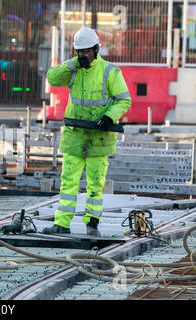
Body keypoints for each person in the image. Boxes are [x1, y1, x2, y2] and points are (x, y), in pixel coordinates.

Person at [43, 27, 131, 236]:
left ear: (96, 49)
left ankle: (92, 223)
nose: (84, 55)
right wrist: (73, 64)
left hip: (99, 137)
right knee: (69, 182)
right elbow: (52, 78)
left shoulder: (110, 71)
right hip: (75, 135)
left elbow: (123, 100)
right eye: (80, 52)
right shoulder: (73, 70)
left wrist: (109, 117)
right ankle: (61, 224)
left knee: (95, 184)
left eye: (87, 51)